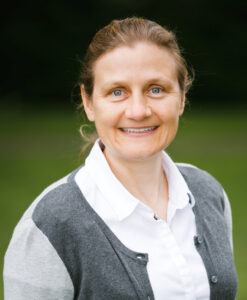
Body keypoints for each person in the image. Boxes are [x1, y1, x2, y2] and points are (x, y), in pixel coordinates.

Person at [4, 17, 238, 300]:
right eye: (117, 92)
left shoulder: (208, 193)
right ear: (89, 102)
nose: (138, 111)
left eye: (156, 89)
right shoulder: (50, 223)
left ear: (182, 98)